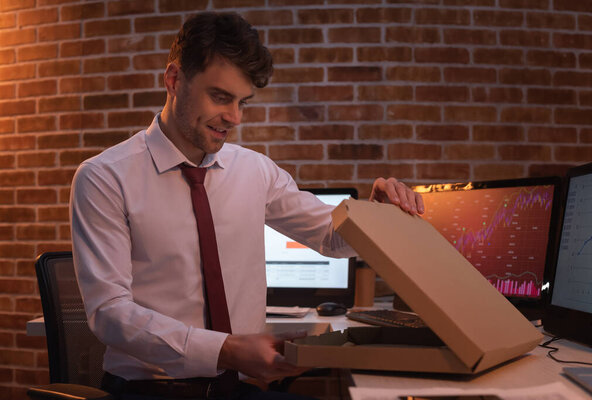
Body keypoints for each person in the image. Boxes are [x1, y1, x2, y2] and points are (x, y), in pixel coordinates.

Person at [70, 11, 424, 400]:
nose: (234, 118)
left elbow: (332, 239)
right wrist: (227, 350)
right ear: (173, 80)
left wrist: (375, 216)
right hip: (149, 390)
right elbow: (110, 314)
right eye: (220, 97)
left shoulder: (255, 170)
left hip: (238, 389)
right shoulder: (104, 177)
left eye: (243, 102)